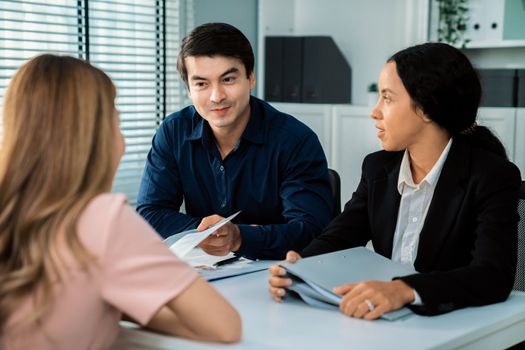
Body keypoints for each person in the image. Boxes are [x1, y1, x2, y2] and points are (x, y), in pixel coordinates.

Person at [0, 54, 241, 349]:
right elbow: (225, 325)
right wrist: (133, 305)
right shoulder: (102, 219)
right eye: (116, 122)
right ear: (94, 136)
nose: (122, 140)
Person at [268, 42, 521, 319]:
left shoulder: (492, 176)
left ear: (426, 109)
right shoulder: (378, 168)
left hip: (448, 321)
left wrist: (406, 290)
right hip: (385, 322)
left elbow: (493, 275)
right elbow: (341, 235)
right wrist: (302, 264)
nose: (374, 111)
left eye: (387, 98)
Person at [136, 22, 333, 260]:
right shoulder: (173, 132)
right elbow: (149, 214)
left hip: (275, 274)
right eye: (201, 84)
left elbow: (311, 231)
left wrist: (239, 237)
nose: (216, 96)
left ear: (250, 78)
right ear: (189, 90)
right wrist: (210, 233)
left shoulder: (296, 140)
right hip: (205, 272)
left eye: (228, 80)